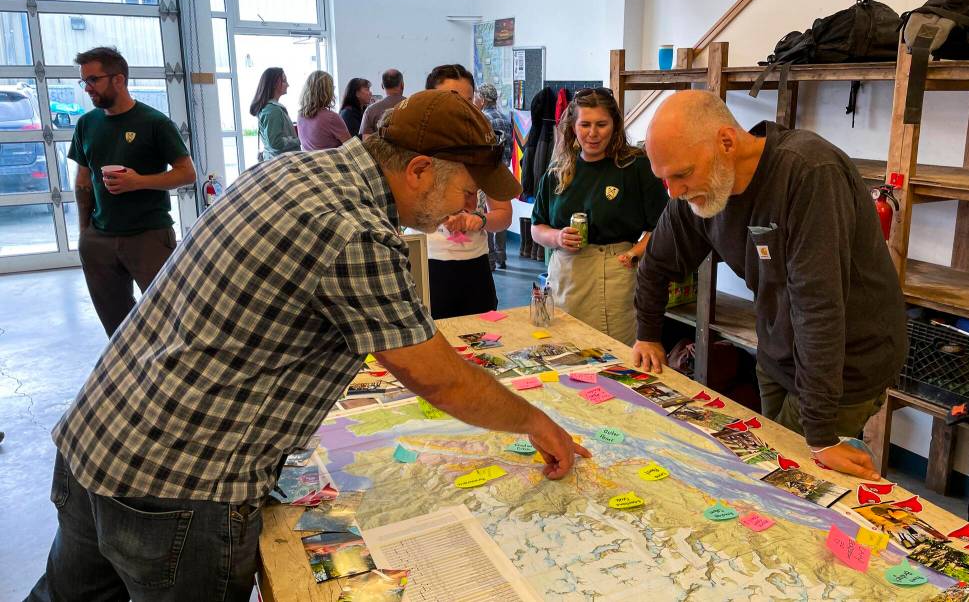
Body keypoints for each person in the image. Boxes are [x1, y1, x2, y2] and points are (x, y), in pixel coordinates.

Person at [28, 89, 589, 602]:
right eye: (467, 192)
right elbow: (435, 376)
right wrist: (535, 423)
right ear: (419, 170)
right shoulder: (354, 229)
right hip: (181, 487)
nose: (465, 211)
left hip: (97, 437)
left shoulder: (291, 170)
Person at [634, 89, 907, 481]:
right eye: (664, 180)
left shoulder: (810, 173)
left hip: (846, 365)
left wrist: (822, 435)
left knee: (792, 483)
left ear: (726, 141)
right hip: (778, 353)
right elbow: (657, 261)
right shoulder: (697, 186)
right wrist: (647, 334)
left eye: (681, 174)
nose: (674, 191)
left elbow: (819, 309)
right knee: (771, 474)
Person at [69, 46, 196, 338]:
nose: (87, 88)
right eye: (84, 81)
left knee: (169, 318)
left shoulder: (154, 123)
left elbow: (187, 173)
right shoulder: (87, 124)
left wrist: (138, 182)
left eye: (93, 80)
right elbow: (83, 181)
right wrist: (85, 232)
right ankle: (129, 375)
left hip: (148, 236)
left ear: (119, 79)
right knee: (117, 327)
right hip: (99, 239)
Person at [530, 88, 668, 345]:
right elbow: (537, 226)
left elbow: (663, 225)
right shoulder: (559, 168)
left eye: (601, 124)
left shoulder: (634, 165)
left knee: (614, 356)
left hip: (614, 274)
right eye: (585, 125)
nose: (592, 134)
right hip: (567, 274)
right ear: (573, 126)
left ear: (614, 125)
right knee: (564, 349)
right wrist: (557, 237)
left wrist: (635, 252)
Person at [423, 64, 512, 319]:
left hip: (474, 267)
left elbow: (504, 214)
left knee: (481, 349)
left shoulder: (484, 150)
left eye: (467, 100)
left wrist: (479, 219)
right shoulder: (412, 148)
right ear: (430, 100)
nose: (460, 108)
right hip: (427, 264)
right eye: (450, 98)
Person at [475, 83, 513, 270]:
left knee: (487, 214)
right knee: (503, 214)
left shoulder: (482, 119)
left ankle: (489, 259)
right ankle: (502, 256)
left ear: (482, 99)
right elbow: (511, 147)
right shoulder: (505, 118)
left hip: (487, 172)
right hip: (503, 171)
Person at [249, 67, 300, 161]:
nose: (288, 85)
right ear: (274, 84)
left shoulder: (269, 108)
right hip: (282, 164)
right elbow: (276, 143)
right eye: (284, 81)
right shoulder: (273, 110)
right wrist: (299, 140)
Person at [296, 70, 351, 151]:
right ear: (327, 91)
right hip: (330, 162)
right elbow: (352, 147)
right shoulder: (332, 118)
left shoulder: (300, 115)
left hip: (309, 162)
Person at [360, 68, 405, 138]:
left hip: (379, 148)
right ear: (402, 84)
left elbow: (366, 140)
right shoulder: (414, 106)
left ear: (382, 86)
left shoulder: (371, 110)